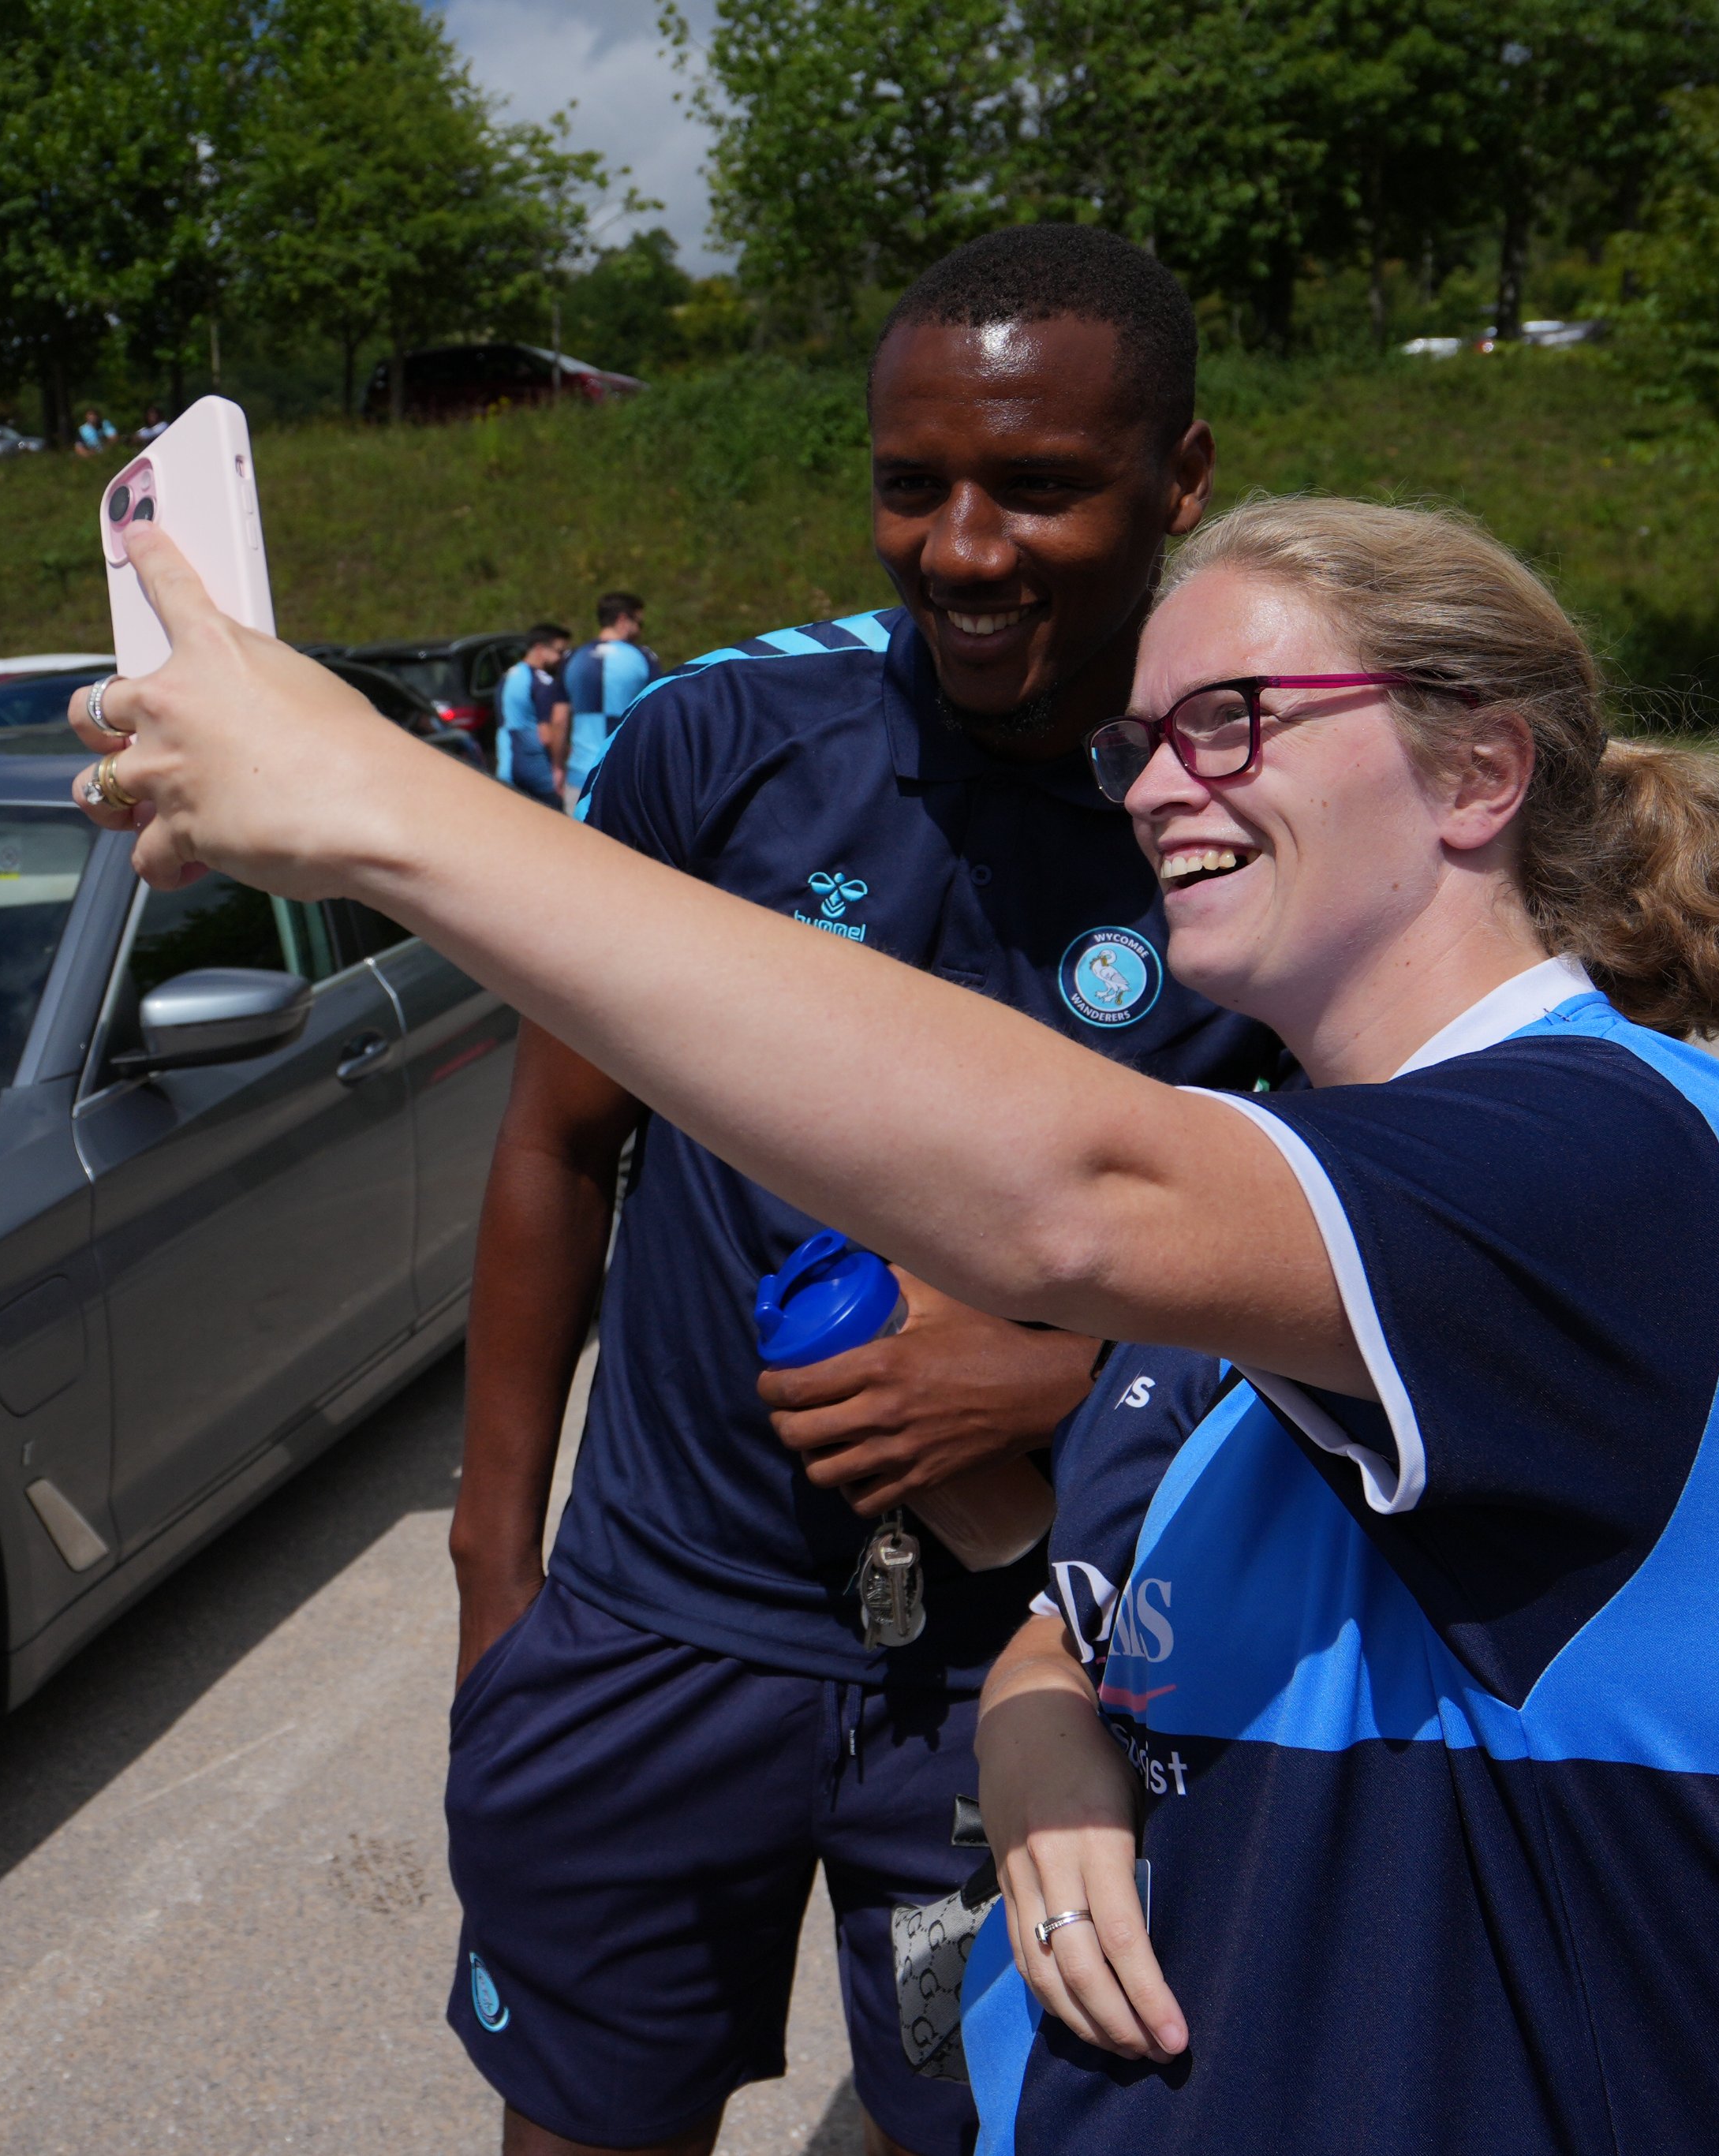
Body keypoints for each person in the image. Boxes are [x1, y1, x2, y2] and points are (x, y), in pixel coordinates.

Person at [62, 488, 1719, 2154]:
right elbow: (1084, 1595)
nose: (1155, 789)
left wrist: (374, 802)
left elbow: (1068, 1192)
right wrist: (1035, 1715)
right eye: (1138, 742)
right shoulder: (1294, 1211)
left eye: (1229, 720)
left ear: (1476, 768)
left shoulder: (1613, 1161)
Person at [470, 225, 1257, 2156]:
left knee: (986, 2128)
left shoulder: (1256, 811)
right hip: (657, 1627)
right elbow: (558, 1142)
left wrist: (1069, 1384)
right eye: (914, 485)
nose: (963, 550)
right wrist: (499, 1586)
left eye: (1039, 487)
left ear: (1177, 477)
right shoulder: (721, 744)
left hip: (1039, 1668)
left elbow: (1351, 1258)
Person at [559, 590, 654, 813]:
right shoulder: (643, 657)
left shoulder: (572, 658)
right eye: (639, 623)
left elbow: (559, 719)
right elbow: (655, 716)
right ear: (623, 620)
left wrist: (557, 766)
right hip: (624, 776)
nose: (640, 631)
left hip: (579, 774)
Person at [492, 622, 572, 809]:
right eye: (559, 652)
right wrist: (563, 758)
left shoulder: (508, 676)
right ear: (539, 648)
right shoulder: (543, 683)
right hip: (535, 769)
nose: (561, 659)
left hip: (506, 766)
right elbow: (547, 735)